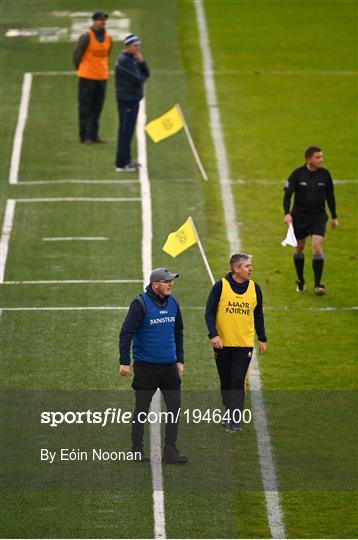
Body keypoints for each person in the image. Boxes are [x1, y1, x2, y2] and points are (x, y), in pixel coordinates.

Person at [118, 268, 188, 463]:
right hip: (146, 368)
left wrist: (179, 360)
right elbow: (126, 332)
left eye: (171, 281)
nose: (171, 284)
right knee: (142, 408)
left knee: (174, 406)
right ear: (155, 284)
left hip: (169, 369)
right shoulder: (140, 304)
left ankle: (170, 450)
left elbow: (178, 332)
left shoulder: (173, 303)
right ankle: (136, 449)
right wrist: (124, 361)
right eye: (167, 281)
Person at [205, 254, 267, 433]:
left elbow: (259, 314)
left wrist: (262, 338)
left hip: (243, 344)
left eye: (250, 265)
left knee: (237, 381)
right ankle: (229, 411)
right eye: (247, 266)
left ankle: (235, 419)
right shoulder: (220, 286)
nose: (251, 269)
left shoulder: (255, 288)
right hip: (222, 344)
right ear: (236, 269)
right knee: (225, 382)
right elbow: (209, 312)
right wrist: (214, 335)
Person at [283, 146, 339, 294]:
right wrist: (287, 213)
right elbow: (288, 194)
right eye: (318, 157)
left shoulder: (325, 175)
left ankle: (318, 284)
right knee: (299, 248)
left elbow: (330, 196)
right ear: (309, 159)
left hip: (318, 217)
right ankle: (300, 280)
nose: (321, 159)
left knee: (316, 247)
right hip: (300, 217)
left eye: (321, 157)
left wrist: (334, 216)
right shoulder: (297, 174)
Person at [73, 11, 112, 144]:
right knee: (85, 107)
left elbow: (107, 54)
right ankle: (85, 136)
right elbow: (77, 55)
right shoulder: (86, 36)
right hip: (87, 78)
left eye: (104, 19)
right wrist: (82, 70)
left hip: (101, 77)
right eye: (100, 19)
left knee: (97, 107)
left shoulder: (108, 37)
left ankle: (94, 135)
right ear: (94, 21)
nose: (103, 22)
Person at [115, 34, 150, 171]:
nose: (138, 48)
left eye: (138, 45)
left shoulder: (132, 59)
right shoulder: (124, 61)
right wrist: (141, 75)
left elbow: (147, 74)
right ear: (127, 46)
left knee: (128, 131)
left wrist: (142, 62)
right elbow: (138, 80)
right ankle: (122, 163)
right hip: (127, 100)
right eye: (135, 46)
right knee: (125, 131)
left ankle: (126, 160)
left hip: (133, 99)